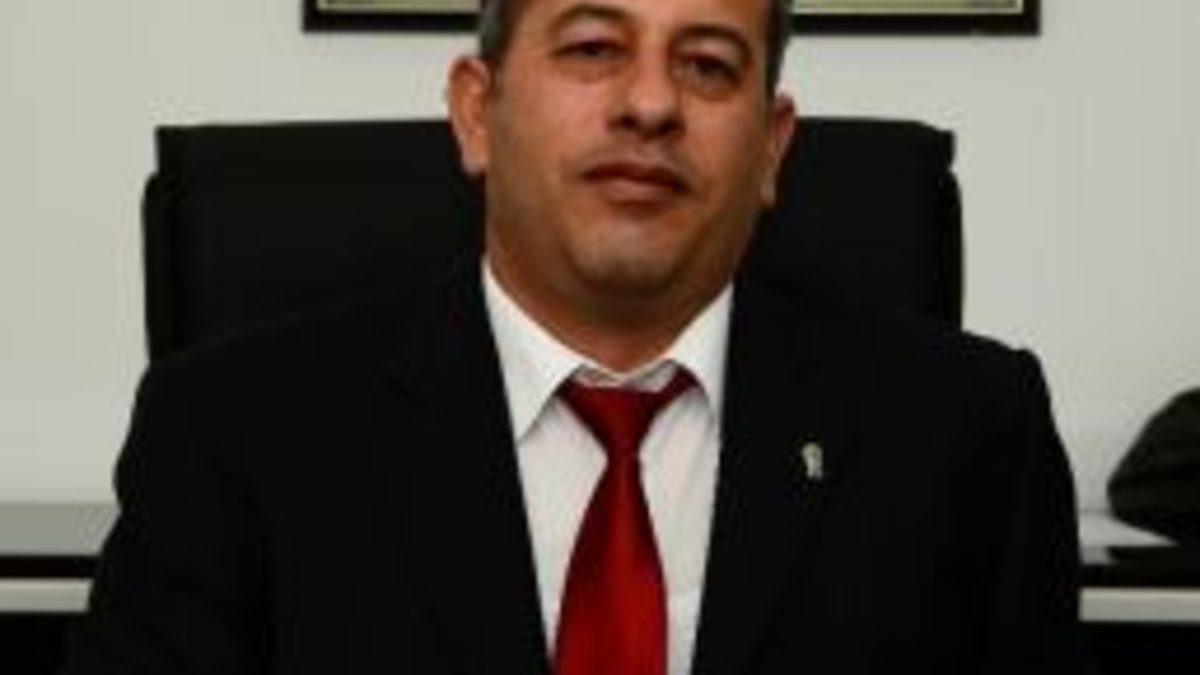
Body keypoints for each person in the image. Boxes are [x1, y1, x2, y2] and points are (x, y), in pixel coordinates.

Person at [62, 0, 1087, 673]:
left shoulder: (964, 435)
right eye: (594, 49)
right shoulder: (240, 433)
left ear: (772, 148)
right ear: (476, 112)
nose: (650, 104)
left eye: (709, 65)